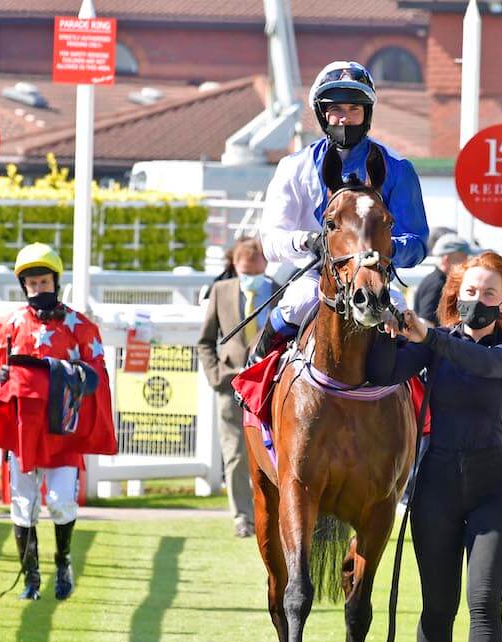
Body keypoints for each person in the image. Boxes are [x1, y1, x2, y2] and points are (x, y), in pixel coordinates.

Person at [366, 251, 502, 642]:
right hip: (436, 480)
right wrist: (386, 327)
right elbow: (382, 374)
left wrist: (428, 335)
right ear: (455, 295)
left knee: (484, 601)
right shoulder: (435, 344)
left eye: (488, 294)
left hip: (491, 486)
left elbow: (484, 365)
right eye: (470, 292)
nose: (477, 301)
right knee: (438, 605)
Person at [252, 60, 429, 358]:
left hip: (374, 276)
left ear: (366, 114)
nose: (344, 119)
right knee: (299, 303)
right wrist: (307, 241)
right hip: (314, 276)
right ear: (322, 114)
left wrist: (384, 248)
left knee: (403, 319)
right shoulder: (293, 167)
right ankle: (256, 370)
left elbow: (418, 242)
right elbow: (270, 242)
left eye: (353, 110)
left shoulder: (398, 168)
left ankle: (421, 395)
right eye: (335, 110)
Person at [0, 243, 117, 601]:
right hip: (22, 430)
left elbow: (97, 374)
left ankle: (63, 561)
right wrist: (2, 377)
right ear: (24, 287)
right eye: (32, 284)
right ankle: (31, 578)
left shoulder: (80, 326)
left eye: (44, 282)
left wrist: (74, 377)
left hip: (62, 431)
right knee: (23, 505)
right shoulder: (9, 325)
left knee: (59, 501)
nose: (39, 289)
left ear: (56, 281)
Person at [196, 237, 275, 538]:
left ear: (266, 265)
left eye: (255, 272)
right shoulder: (221, 290)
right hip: (230, 386)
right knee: (236, 454)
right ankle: (243, 517)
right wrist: (218, 375)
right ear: (235, 267)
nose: (250, 278)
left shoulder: (280, 292)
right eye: (244, 272)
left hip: (270, 385)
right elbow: (205, 340)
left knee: (273, 452)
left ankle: (272, 513)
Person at [415, 233, 475, 326]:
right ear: (446, 259)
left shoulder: (436, 280)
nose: (467, 263)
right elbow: (426, 322)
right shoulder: (437, 284)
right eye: (464, 257)